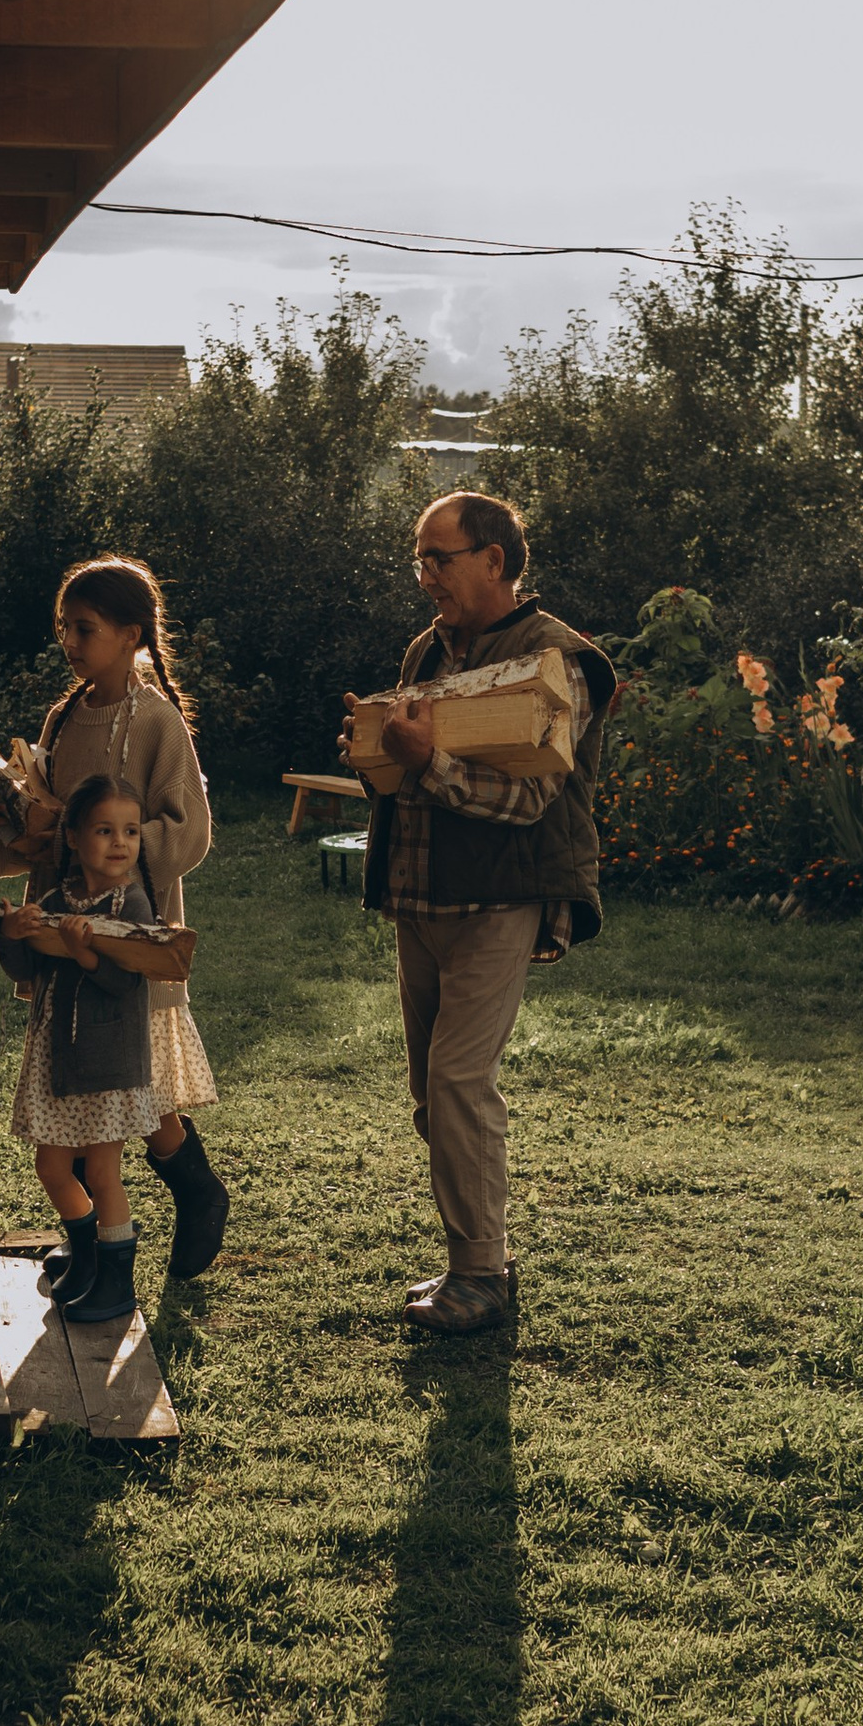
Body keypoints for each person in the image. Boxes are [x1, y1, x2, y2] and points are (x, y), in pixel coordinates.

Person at [346, 490, 617, 1337]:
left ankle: (479, 1276)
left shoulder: (557, 658)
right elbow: (409, 768)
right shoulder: (426, 649)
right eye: (419, 561)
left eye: (440, 558)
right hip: (420, 895)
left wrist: (424, 762)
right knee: (432, 1097)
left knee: (459, 1082)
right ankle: (482, 1259)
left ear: (494, 560)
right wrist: (374, 753)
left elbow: (531, 799)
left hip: (503, 894)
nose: (427, 575)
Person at [0, 555, 231, 1273]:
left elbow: (190, 831)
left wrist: (108, 854)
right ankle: (89, 1241)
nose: (69, 642)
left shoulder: (157, 722)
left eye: (84, 628)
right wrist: (0, 821)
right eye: (64, 628)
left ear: (132, 634)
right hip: (62, 932)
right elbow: (46, 827)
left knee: (130, 1079)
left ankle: (196, 1192)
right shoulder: (64, 717)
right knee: (86, 1074)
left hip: (124, 932)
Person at [0, 776, 195, 1323]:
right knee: (52, 1167)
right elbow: (27, 968)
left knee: (102, 1174)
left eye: (130, 831)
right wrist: (11, 933)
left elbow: (129, 982)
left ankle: (117, 1284)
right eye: (105, 831)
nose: (120, 842)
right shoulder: (57, 900)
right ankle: (86, 1259)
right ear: (75, 837)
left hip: (109, 1061)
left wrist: (85, 954)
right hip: (57, 1057)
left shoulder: (133, 902)